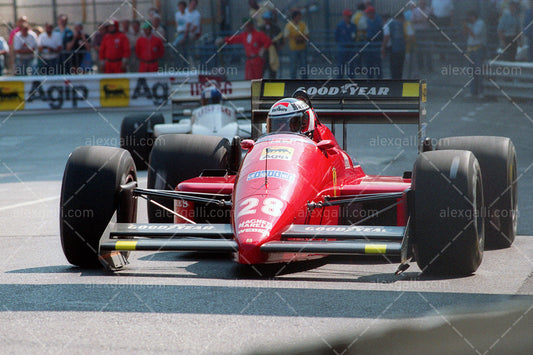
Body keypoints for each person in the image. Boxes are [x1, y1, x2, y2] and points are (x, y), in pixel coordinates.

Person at [464, 10, 487, 98]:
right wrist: (465, 27)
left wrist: (468, 27)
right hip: (471, 48)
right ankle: (473, 91)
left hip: (479, 48)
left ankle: (481, 91)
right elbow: (465, 34)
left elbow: (475, 34)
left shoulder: (480, 23)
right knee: (472, 71)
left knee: (479, 70)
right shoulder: (470, 24)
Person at [284, 10, 309, 79]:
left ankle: (305, 80)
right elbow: (285, 36)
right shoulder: (288, 25)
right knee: (293, 66)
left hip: (302, 48)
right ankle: (293, 81)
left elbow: (307, 35)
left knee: (303, 66)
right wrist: (294, 37)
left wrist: (301, 38)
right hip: (293, 49)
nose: (300, 18)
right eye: (298, 16)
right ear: (294, 17)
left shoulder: (303, 24)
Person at [382, 13, 406, 79]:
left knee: (394, 69)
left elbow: (386, 37)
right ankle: (399, 84)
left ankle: (394, 85)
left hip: (393, 50)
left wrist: (383, 48)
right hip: (402, 49)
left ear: (384, 19)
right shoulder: (400, 24)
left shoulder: (387, 24)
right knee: (400, 69)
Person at [411, 0, 432, 73]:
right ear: (419, 4)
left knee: (428, 49)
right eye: (421, 3)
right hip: (418, 31)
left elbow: (432, 19)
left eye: (424, 3)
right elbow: (412, 21)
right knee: (419, 50)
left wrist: (427, 19)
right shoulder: (415, 10)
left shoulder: (429, 10)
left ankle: (429, 67)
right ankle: (421, 66)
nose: (422, 4)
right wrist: (420, 20)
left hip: (426, 31)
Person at [335, 9, 357, 78]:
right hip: (342, 48)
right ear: (344, 16)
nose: (349, 18)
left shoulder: (353, 26)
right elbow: (336, 37)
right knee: (341, 66)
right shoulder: (340, 26)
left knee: (351, 67)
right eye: (347, 16)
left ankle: (351, 82)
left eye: (350, 16)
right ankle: (339, 81)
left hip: (351, 48)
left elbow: (355, 36)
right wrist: (341, 43)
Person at [259, 10, 282, 79]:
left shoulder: (276, 28)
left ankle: (272, 85)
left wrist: (279, 46)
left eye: (268, 19)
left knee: (272, 70)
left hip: (273, 52)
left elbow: (281, 38)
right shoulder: (261, 28)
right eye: (265, 19)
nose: (266, 21)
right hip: (264, 52)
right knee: (261, 70)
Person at [364, 6, 383, 79]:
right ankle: (370, 79)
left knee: (378, 63)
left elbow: (381, 33)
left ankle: (379, 79)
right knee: (369, 63)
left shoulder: (378, 21)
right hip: (368, 43)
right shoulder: (366, 21)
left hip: (377, 43)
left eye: (368, 13)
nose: (367, 15)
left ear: (372, 13)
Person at [185, 0, 201, 64]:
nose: (193, 5)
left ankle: (193, 64)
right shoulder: (185, 11)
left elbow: (194, 27)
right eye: (192, 3)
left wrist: (186, 32)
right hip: (183, 33)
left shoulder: (197, 14)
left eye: (195, 4)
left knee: (192, 51)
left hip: (191, 34)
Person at [174, 1, 189, 69]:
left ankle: (185, 66)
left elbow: (187, 27)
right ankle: (178, 65)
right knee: (176, 48)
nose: (180, 8)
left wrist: (184, 37)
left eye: (182, 6)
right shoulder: (177, 14)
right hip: (179, 33)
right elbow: (177, 24)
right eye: (179, 6)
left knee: (185, 51)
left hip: (185, 33)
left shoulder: (187, 14)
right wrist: (177, 32)